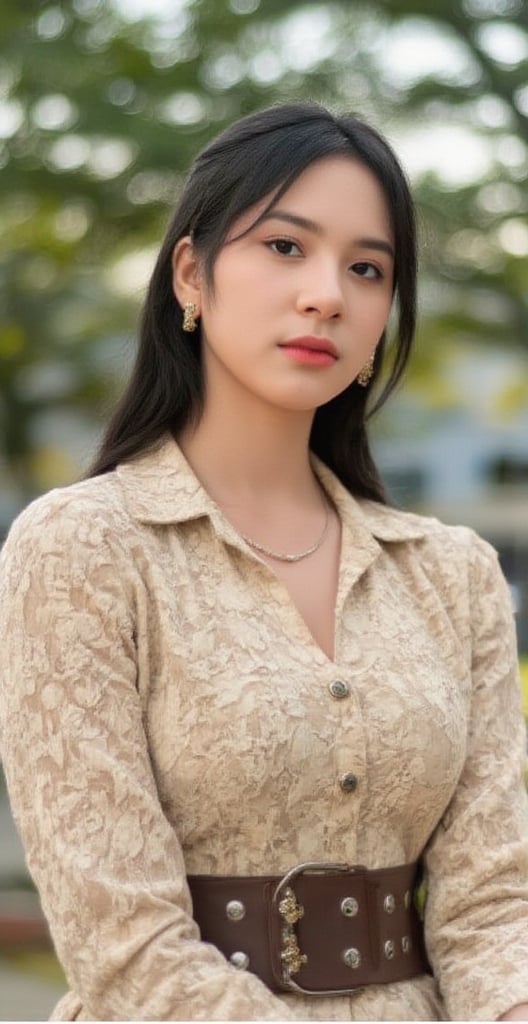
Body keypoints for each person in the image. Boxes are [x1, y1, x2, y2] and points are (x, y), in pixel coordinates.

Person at [0, 102, 527, 1022]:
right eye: (287, 247)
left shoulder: (455, 575)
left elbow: (496, 906)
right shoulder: (83, 548)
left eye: (368, 268)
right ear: (191, 274)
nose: (328, 292)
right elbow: (123, 944)